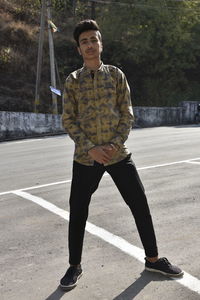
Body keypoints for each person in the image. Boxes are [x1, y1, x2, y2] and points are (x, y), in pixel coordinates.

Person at [60, 19, 183, 290]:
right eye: (84, 42)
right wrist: (90, 148)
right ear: (79, 49)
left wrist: (114, 145)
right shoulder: (73, 81)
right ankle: (74, 266)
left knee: (139, 204)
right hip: (86, 157)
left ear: (100, 43)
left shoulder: (116, 75)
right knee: (78, 210)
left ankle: (153, 258)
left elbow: (127, 114)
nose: (90, 45)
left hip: (118, 155)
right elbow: (69, 120)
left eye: (93, 39)